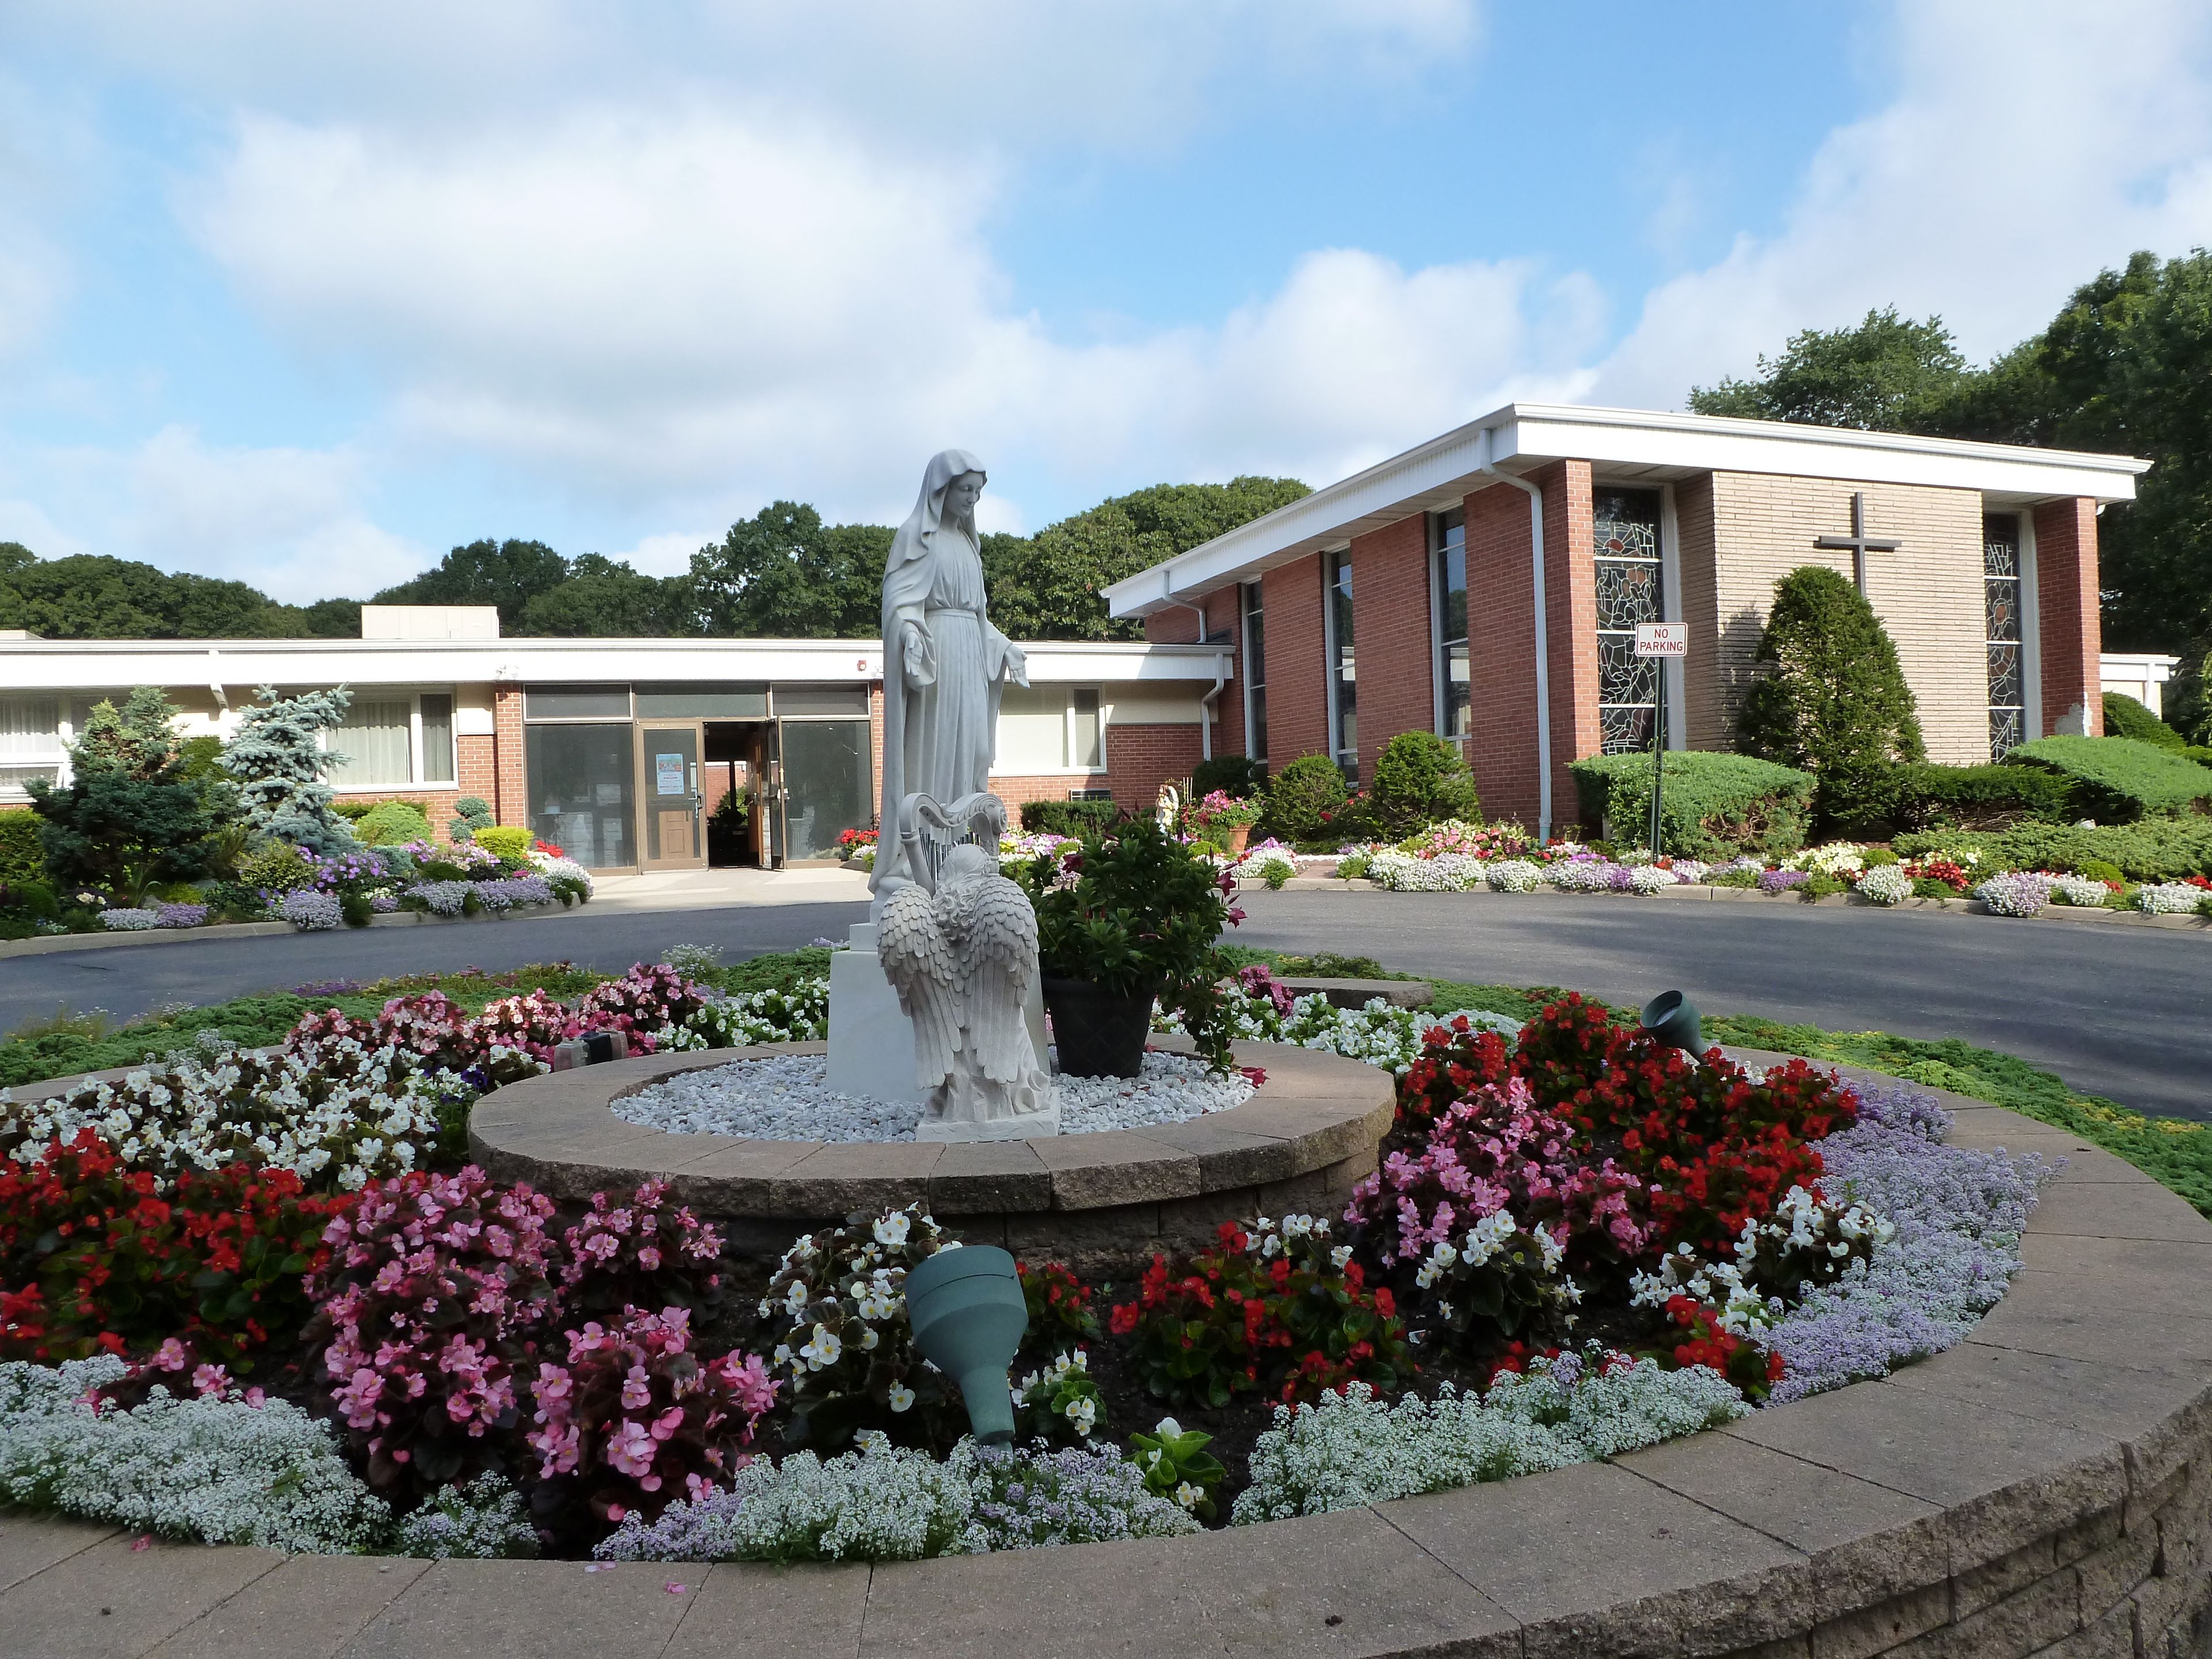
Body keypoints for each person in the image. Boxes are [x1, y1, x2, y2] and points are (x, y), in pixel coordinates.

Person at [872, 450, 1027, 902]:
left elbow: (976, 617)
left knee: (969, 752)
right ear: (942, 489)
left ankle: (961, 857)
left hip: (969, 661)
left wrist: (1003, 647)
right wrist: (910, 633)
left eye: (978, 492)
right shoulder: (914, 537)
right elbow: (899, 603)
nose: (973, 499)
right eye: (966, 490)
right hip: (936, 659)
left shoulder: (967, 545)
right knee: (933, 752)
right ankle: (917, 859)